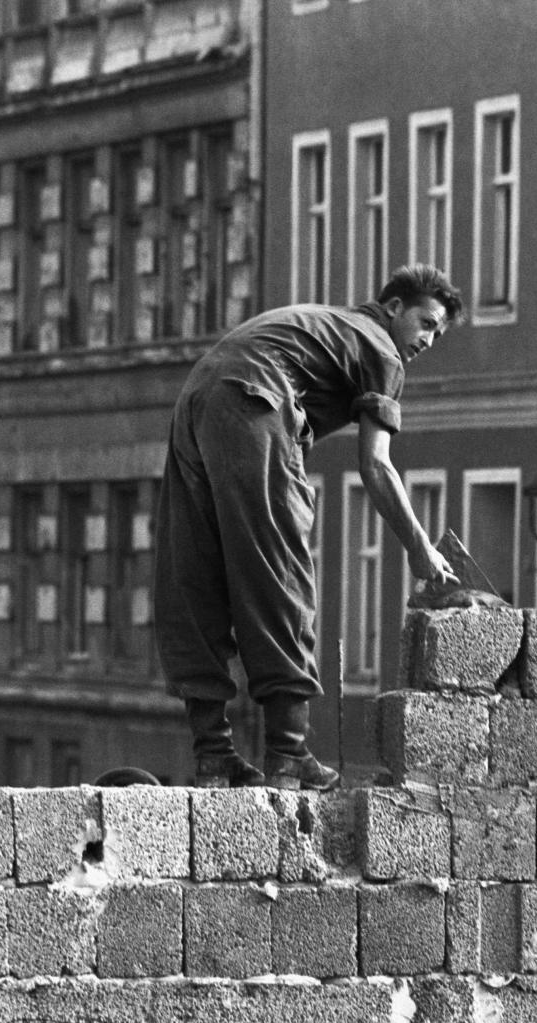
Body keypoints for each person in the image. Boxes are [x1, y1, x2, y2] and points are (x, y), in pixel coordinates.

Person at [154, 262, 463, 791]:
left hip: (197, 397)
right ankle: (289, 754)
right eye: (427, 323)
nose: (429, 340)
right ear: (393, 309)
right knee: (279, 571)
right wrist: (419, 548)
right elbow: (377, 466)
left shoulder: (330, 326)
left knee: (194, 573)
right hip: (253, 398)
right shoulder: (381, 349)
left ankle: (213, 755)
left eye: (437, 331)